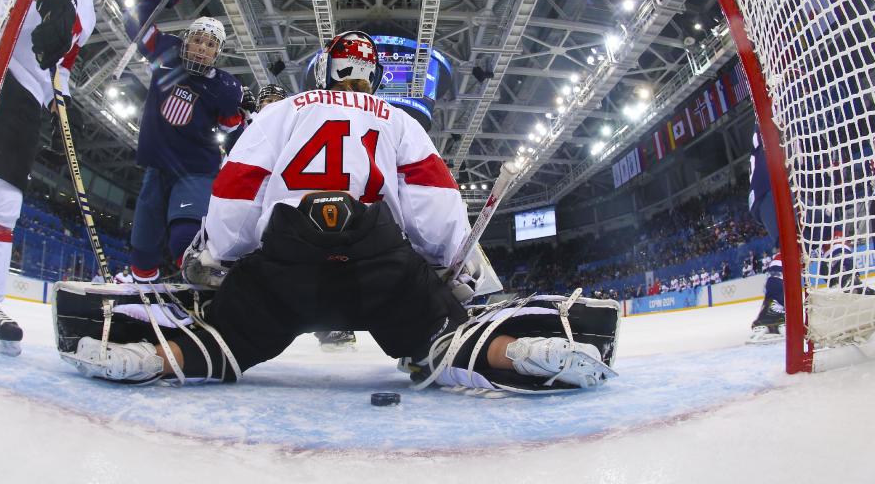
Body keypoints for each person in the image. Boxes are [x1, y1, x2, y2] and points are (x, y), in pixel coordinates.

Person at [66, 31, 618, 392]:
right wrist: (458, 272)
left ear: (325, 73)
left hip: (288, 253)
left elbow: (237, 187)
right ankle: (514, 349)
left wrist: (218, 255)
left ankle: (153, 359)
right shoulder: (398, 120)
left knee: (225, 338)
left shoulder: (283, 110)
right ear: (373, 78)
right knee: (442, 338)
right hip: (374, 252)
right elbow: (435, 201)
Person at [0, 0, 128, 355]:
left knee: (3, 201)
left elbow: (64, 65)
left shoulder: (91, 12)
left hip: (30, 92)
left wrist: (61, 107)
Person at [122, 0, 249, 284]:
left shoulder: (225, 86)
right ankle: (141, 288)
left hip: (196, 168)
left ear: (217, 52)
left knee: (184, 233)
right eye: (199, 40)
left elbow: (233, 132)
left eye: (211, 45)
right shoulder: (165, 52)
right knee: (142, 244)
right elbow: (135, 21)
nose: (203, 48)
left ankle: (198, 278)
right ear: (187, 39)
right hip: (157, 166)